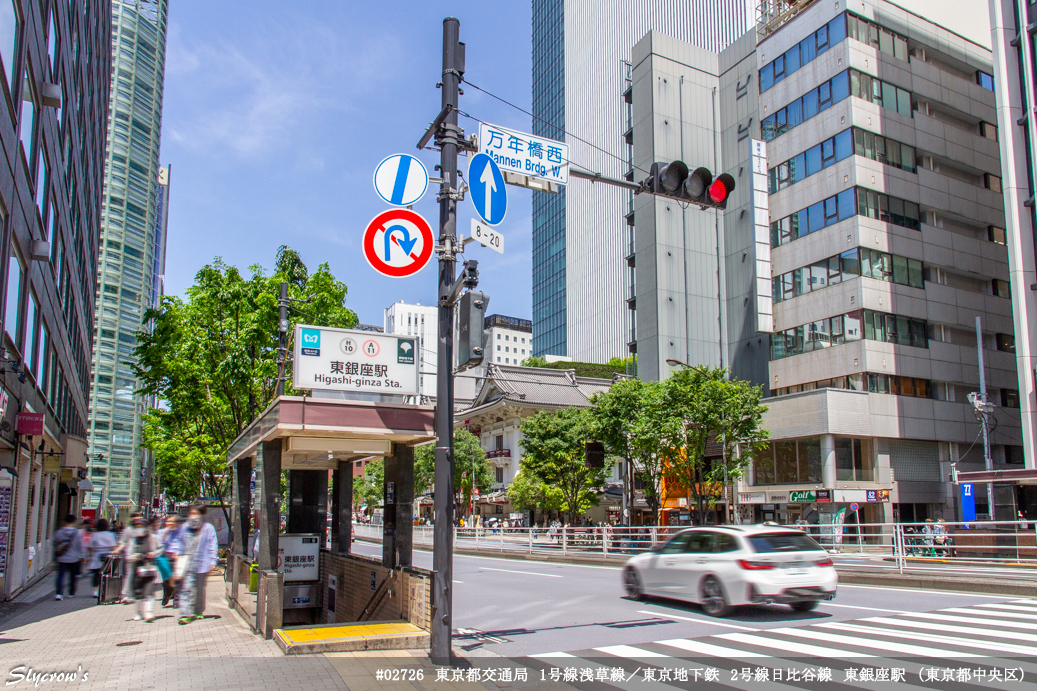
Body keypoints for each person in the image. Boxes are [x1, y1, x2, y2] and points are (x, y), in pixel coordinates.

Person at [176, 502, 219, 625]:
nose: (193, 516)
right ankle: (185, 614)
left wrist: (213, 560)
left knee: (199, 589)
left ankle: (198, 611)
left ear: (202, 515)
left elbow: (213, 545)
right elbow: (179, 543)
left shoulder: (208, 528)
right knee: (186, 588)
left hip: (202, 563)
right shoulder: (184, 527)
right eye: (191, 513)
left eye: (195, 513)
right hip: (187, 563)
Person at [53, 515, 85, 600]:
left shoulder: (59, 532)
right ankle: (71, 592)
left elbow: (55, 543)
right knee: (73, 576)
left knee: (60, 576)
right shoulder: (77, 533)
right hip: (74, 558)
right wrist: (83, 556)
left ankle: (59, 593)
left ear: (64, 521)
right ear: (74, 522)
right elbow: (81, 545)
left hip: (62, 558)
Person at [86, 519, 117, 598]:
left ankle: (96, 591)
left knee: (96, 574)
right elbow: (113, 547)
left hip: (97, 555)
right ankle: (105, 590)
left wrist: (90, 555)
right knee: (107, 574)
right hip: (107, 556)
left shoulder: (95, 535)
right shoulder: (110, 534)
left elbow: (90, 547)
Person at [157, 515, 183, 607]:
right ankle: (167, 593)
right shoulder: (162, 532)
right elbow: (159, 544)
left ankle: (177, 599)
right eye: (168, 521)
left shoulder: (180, 532)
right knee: (167, 579)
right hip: (165, 557)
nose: (169, 523)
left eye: (172, 522)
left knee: (177, 579)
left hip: (177, 558)